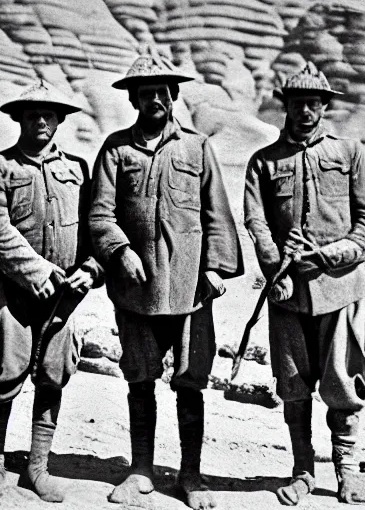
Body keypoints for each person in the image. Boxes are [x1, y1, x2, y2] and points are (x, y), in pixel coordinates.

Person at [89, 49, 243, 510]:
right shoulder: (116, 149)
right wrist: (119, 250)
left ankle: (191, 476)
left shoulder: (197, 148)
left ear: (173, 96)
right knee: (140, 379)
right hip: (136, 289)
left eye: (162, 91)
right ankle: (140, 470)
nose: (154, 98)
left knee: (191, 381)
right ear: (134, 99)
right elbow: (99, 214)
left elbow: (217, 214)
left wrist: (216, 267)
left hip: (190, 288)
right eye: (145, 92)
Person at [244, 61, 365, 506]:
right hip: (288, 293)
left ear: (325, 107)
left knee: (344, 383)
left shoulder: (349, 153)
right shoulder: (264, 162)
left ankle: (345, 472)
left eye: (314, 104)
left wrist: (333, 253)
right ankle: (302, 471)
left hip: (343, 287)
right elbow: (256, 220)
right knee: (293, 384)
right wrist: (275, 270)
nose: (305, 111)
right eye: (297, 103)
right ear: (285, 107)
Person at [0, 80, 103, 503]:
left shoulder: (79, 170)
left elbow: (97, 230)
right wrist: (36, 269)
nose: (41, 120)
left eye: (49, 114)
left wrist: (92, 268)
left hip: (62, 296)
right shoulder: (0, 167)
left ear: (61, 119)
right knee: (1, 372)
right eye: (32, 115)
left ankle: (37, 467)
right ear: (19, 119)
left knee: (53, 375)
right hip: (8, 292)